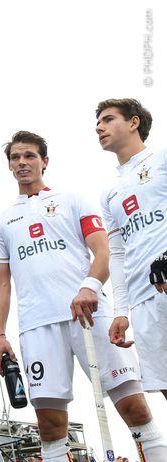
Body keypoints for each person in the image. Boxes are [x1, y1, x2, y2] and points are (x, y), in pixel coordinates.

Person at [0, 131, 167, 462]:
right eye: (15, 157)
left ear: (45, 161)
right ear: (9, 166)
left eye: (29, 155)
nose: (22, 162)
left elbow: (103, 250)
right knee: (50, 427)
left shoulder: (73, 199)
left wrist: (90, 286)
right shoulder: (1, 222)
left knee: (134, 406)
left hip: (89, 315)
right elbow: (1, 282)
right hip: (37, 325)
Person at [96, 98, 167, 403]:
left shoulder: (162, 159)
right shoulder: (110, 193)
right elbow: (118, 253)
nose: (100, 127)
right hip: (141, 299)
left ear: (134, 122)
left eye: (108, 119)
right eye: (97, 123)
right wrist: (121, 311)